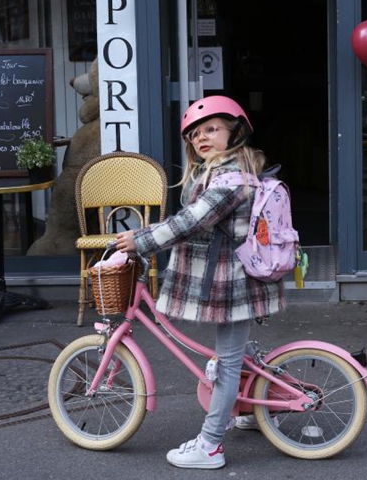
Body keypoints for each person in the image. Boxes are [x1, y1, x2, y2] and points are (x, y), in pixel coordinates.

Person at [115, 95, 284, 469]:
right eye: (194, 135)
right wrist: (145, 234)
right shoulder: (217, 175)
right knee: (232, 357)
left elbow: (189, 223)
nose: (201, 138)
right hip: (231, 282)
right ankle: (251, 406)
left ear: (235, 132)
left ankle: (210, 446)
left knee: (225, 363)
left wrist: (141, 240)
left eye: (211, 129)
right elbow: (188, 217)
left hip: (232, 284)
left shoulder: (231, 182)